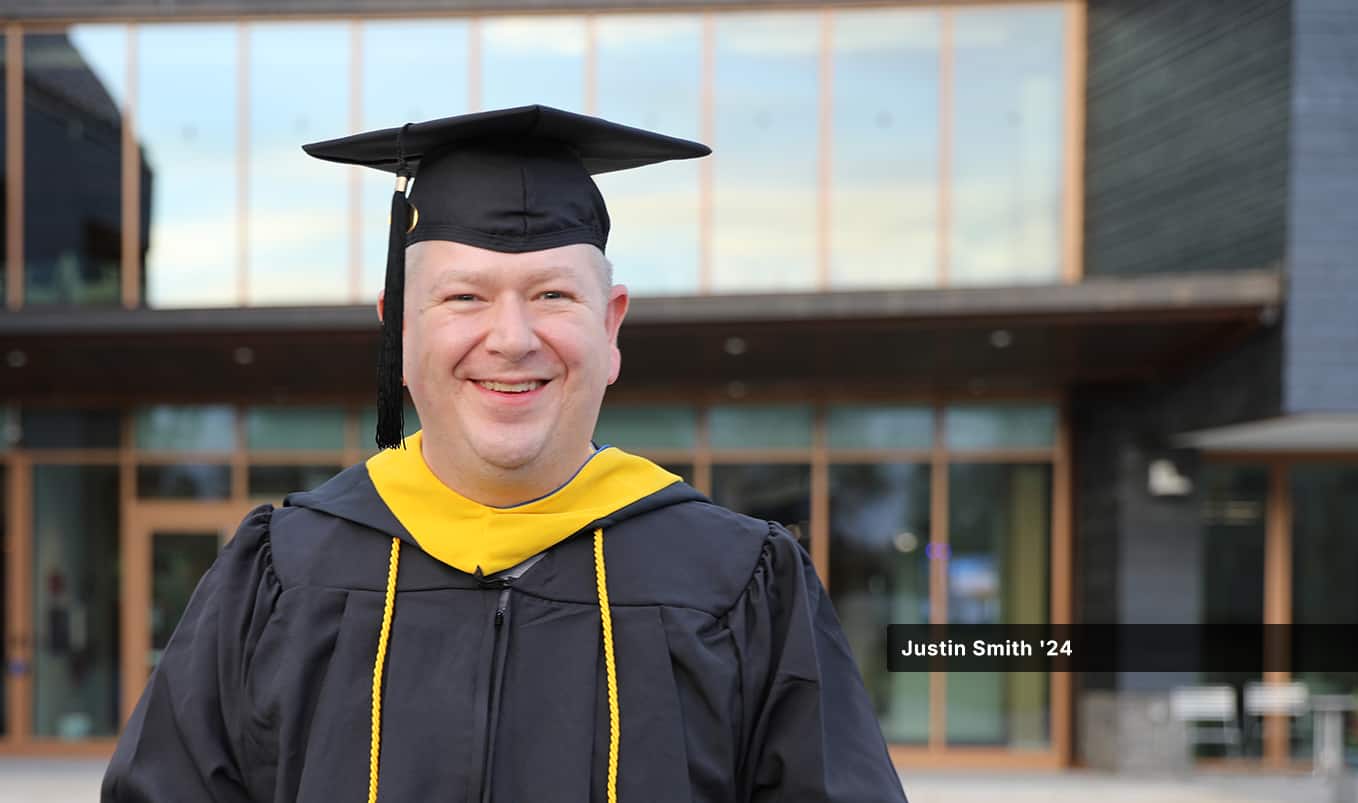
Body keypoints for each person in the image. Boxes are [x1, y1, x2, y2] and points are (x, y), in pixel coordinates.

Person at [101, 105, 908, 803]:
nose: (513, 338)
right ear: (400, 326)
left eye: (553, 294)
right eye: (465, 296)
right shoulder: (281, 575)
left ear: (611, 324)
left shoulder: (739, 585)